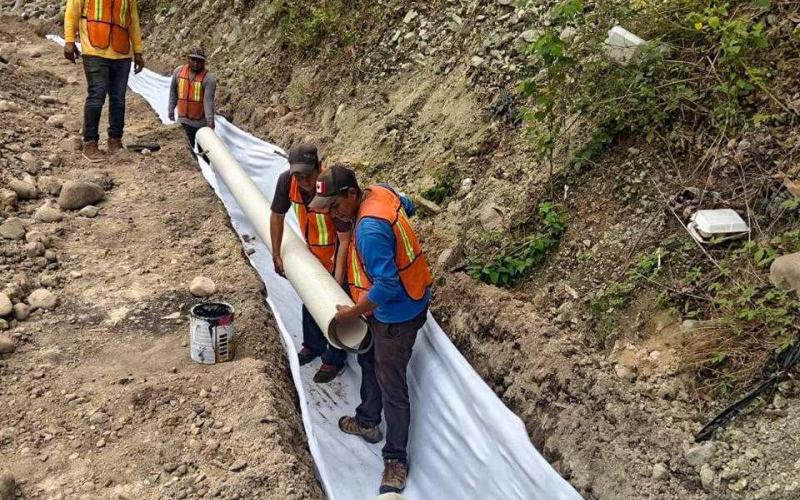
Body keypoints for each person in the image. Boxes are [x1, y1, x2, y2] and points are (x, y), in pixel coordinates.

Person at [309, 166, 433, 494]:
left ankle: (395, 459)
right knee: (368, 360)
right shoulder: (380, 192)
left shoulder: (368, 231)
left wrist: (354, 311)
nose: (333, 215)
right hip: (403, 299)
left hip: (397, 313)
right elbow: (408, 205)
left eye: (335, 207)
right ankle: (367, 421)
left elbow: (388, 285)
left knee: (391, 382)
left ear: (352, 194)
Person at [270, 145, 350, 383]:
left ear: (318, 167)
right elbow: (277, 215)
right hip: (314, 253)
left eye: (308, 175)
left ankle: (334, 359)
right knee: (310, 297)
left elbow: (345, 239)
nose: (303, 181)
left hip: (338, 255)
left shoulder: (329, 187)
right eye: (298, 175)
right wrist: (276, 252)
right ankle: (313, 345)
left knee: (334, 306)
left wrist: (336, 281)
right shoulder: (287, 181)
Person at [63, 0, 145, 162]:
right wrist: (69, 40)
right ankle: (90, 143)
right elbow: (72, 11)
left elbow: (133, 20)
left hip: (122, 53)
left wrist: (138, 50)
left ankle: (115, 140)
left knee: (118, 99)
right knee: (96, 95)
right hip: (94, 50)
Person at [168, 47, 217, 150]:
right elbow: (173, 91)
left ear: (203, 62)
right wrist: (171, 109)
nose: (196, 63)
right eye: (193, 60)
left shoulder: (208, 79)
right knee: (186, 151)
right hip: (183, 121)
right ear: (188, 59)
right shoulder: (178, 72)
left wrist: (210, 121)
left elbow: (208, 101)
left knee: (204, 154)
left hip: (201, 123)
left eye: (199, 61)